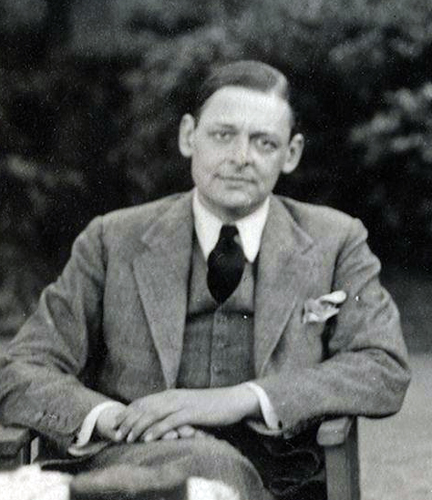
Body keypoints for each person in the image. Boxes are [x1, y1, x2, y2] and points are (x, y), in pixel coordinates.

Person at [0, 60, 410, 500]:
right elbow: (22, 366)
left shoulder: (335, 240)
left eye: (264, 142)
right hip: (132, 456)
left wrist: (240, 398)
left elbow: (382, 365)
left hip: (277, 477)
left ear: (290, 154)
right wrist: (106, 416)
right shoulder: (112, 239)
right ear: (188, 136)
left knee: (214, 468)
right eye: (223, 135)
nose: (241, 157)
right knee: (204, 468)